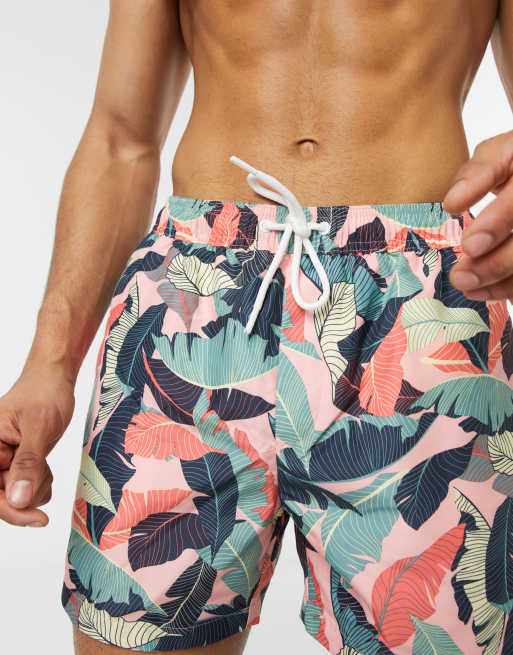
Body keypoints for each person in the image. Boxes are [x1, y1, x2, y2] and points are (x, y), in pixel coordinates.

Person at [2, 1, 513, 653]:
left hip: (417, 308)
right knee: (131, 628)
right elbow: (120, 140)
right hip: (190, 304)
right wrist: (49, 365)